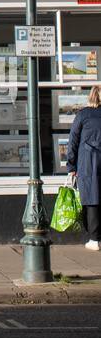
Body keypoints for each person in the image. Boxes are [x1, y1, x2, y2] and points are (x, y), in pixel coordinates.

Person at [65, 84, 101, 250]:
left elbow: (73, 141)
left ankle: (94, 239)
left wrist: (71, 165)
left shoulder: (83, 115)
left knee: (91, 199)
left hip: (87, 162)